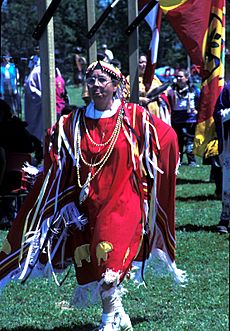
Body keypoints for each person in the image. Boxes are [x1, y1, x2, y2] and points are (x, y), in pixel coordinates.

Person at [0, 61, 186, 330]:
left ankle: (108, 321)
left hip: (126, 202)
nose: (96, 85)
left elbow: (166, 136)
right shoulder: (74, 122)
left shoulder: (134, 118)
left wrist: (159, 170)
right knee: (99, 262)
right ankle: (119, 313)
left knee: (110, 264)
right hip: (89, 207)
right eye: (91, 80)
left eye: (102, 80)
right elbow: (56, 148)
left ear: (116, 86)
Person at [168, 69, 200, 166]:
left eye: (181, 76)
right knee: (178, 141)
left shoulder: (194, 90)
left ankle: (192, 160)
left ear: (186, 78)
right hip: (176, 119)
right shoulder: (171, 90)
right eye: (177, 76)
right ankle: (179, 160)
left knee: (190, 141)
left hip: (190, 118)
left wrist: (197, 111)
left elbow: (200, 101)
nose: (178, 78)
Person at [126, 54, 171, 125]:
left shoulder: (154, 78)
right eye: (141, 62)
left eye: (146, 62)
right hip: (139, 114)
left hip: (156, 113)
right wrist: (140, 99)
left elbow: (164, 92)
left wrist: (160, 97)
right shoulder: (130, 79)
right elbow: (125, 96)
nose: (144, 65)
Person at [213, 81, 230, 234]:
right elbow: (218, 113)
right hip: (229, 143)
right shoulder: (228, 89)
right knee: (228, 182)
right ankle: (225, 217)